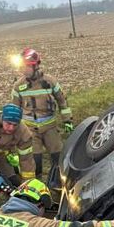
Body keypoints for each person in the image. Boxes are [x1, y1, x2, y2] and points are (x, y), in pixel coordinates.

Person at [10, 47, 74, 177]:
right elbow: (14, 110)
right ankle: (38, 187)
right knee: (35, 161)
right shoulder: (18, 86)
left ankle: (59, 184)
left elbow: (62, 101)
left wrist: (67, 120)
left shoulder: (50, 81)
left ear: (34, 66)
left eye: (24, 67)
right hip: (30, 130)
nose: (22, 70)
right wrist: (13, 131)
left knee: (58, 158)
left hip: (50, 127)